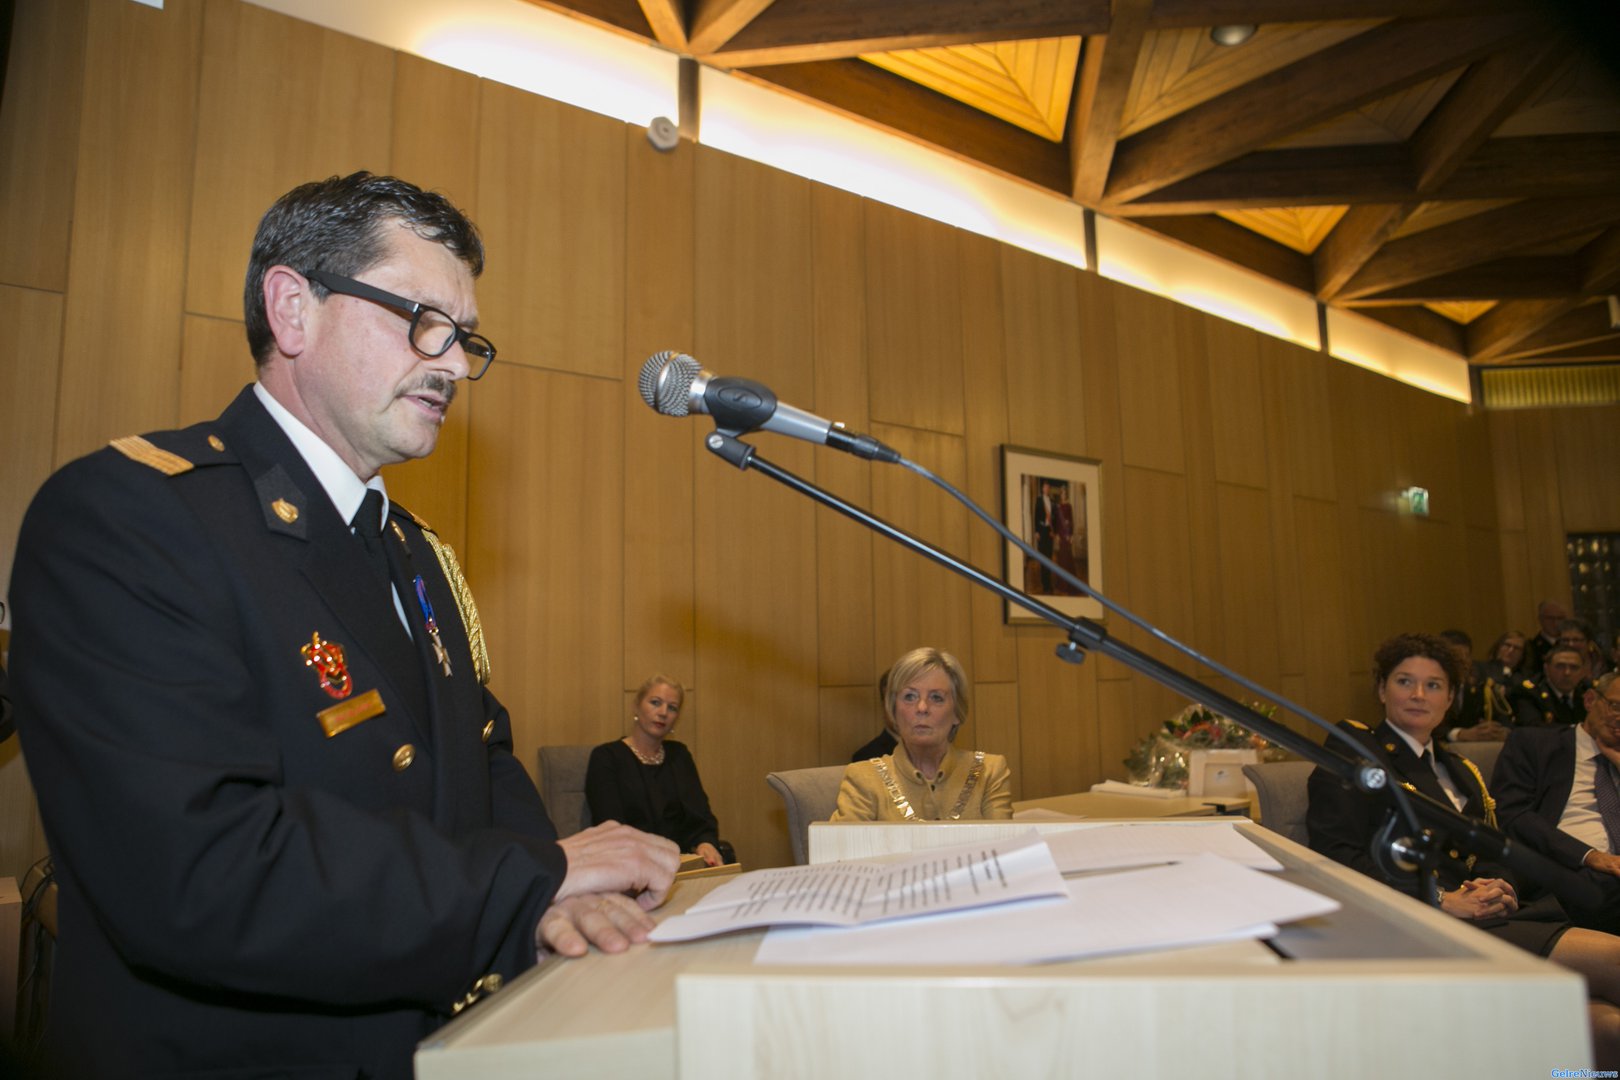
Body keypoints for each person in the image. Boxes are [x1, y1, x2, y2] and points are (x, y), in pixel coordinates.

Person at [8, 173, 679, 1079]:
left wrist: (556, 902)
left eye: (465, 337)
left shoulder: (416, 550)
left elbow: (479, 758)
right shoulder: (132, 516)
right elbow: (200, 868)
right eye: (424, 321)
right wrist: (527, 883)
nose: (453, 364)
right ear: (293, 309)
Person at [1307, 633, 1620, 1061]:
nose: (1419, 695)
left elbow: (1494, 847)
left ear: (1451, 698)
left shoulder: (1458, 768)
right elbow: (1336, 858)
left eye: (1433, 685)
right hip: (1420, 923)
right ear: (1381, 690)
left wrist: (1500, 886)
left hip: (1490, 915)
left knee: (1607, 1030)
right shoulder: (1357, 758)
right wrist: (1439, 899)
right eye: (1404, 681)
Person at [1494, 671, 1620, 935]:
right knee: (1604, 883)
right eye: (1615, 706)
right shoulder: (1534, 743)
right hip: (1562, 868)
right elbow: (1513, 814)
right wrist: (1590, 856)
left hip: (1610, 879)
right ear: (1590, 700)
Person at [832, 647, 1013, 821]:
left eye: (936, 698)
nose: (922, 707)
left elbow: (1004, 840)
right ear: (893, 710)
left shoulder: (987, 772)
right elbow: (845, 842)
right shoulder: (863, 777)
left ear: (957, 713)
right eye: (910, 697)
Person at [586, 675, 734, 867]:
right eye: (655, 703)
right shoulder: (607, 757)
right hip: (629, 865)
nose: (663, 712)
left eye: (672, 708)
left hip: (683, 864)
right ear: (636, 706)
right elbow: (609, 827)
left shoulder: (679, 755)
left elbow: (701, 816)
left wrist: (705, 843)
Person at [1511, 643, 1593, 727]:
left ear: (1583, 671)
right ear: (1546, 669)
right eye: (1560, 666)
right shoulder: (1528, 693)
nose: (1567, 672)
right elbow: (1533, 728)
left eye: (1574, 667)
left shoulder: (1589, 694)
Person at [1528, 599, 1573, 676]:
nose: (1555, 623)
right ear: (1540, 619)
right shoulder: (1530, 647)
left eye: (1560, 618)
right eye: (1550, 618)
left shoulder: (1572, 644)